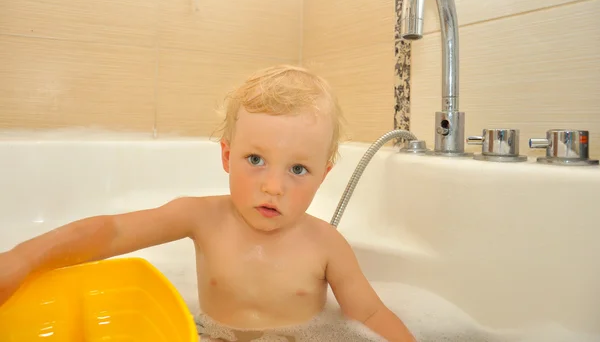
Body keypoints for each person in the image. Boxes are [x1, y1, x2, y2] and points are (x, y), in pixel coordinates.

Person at [0, 65, 415, 341]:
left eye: (298, 170)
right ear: (226, 156)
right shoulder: (201, 218)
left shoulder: (326, 244)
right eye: (256, 160)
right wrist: (22, 258)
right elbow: (113, 232)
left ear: (324, 175)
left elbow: (372, 317)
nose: (273, 186)